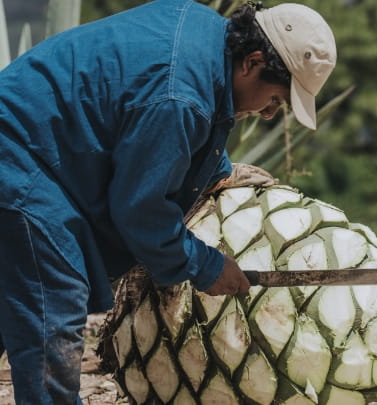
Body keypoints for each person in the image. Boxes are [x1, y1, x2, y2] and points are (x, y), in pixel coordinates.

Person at [0, 0, 336, 403]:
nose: (268, 114)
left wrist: (220, 171)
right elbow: (140, 211)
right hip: (23, 158)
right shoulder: (181, 97)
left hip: (33, 145)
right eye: (277, 99)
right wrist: (206, 265)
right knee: (51, 309)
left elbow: (153, 132)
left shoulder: (202, 32)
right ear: (253, 61)